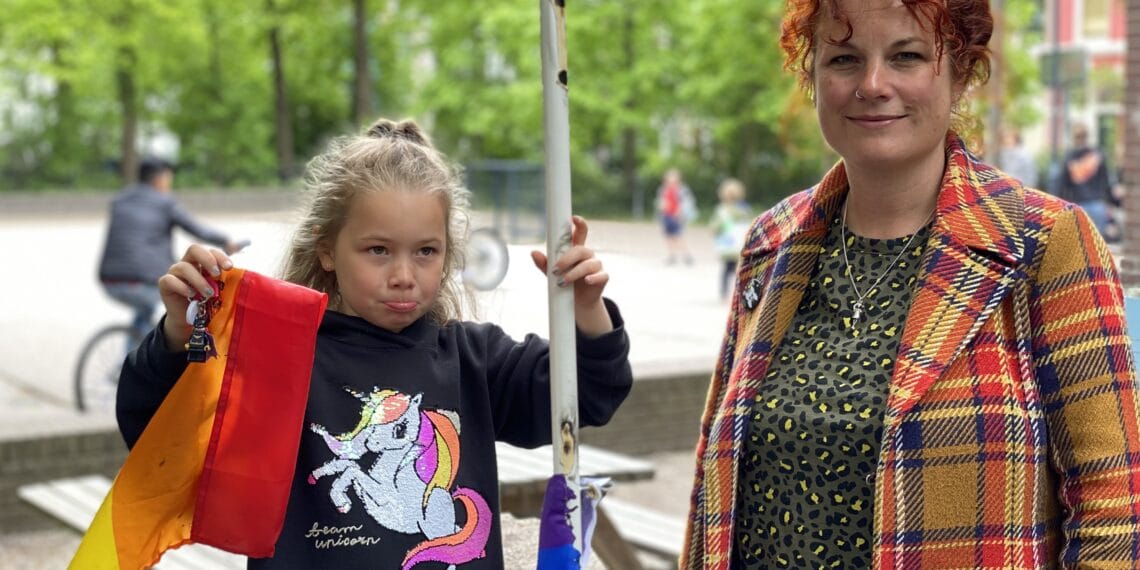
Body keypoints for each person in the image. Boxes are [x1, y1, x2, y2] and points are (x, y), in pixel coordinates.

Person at [682, 0, 1140, 568]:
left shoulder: (1044, 243)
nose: (873, 84)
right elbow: (713, 494)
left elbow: (1114, 511)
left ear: (960, 73)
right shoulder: (772, 243)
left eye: (907, 56)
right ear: (813, 77)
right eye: (845, 59)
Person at [115, 118, 633, 568]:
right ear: (328, 251)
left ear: (448, 254)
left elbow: (586, 396)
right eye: (378, 250)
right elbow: (155, 435)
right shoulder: (279, 357)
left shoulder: (475, 361)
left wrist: (585, 309)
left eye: (426, 251)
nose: (404, 275)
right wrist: (177, 336)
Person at [97, 157, 243, 337]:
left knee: (144, 315)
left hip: (109, 279)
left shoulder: (120, 200)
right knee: (172, 312)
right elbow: (196, 229)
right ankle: (139, 360)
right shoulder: (164, 203)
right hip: (141, 281)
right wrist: (226, 242)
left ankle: (129, 356)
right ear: (160, 178)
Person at [1057, 122, 1115, 237]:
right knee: (1098, 245)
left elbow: (1062, 184)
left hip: (1078, 205)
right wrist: (1110, 204)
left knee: (1081, 244)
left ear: (1073, 137)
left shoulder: (1070, 157)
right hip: (1098, 204)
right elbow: (1106, 181)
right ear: (1087, 136)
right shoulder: (1098, 155)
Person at [711, 178, 752, 300]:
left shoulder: (722, 210)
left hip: (727, 246)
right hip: (740, 245)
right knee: (739, 270)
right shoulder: (745, 209)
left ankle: (723, 293)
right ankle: (740, 292)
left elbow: (715, 227)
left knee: (726, 270)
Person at [655, 167, 696, 265]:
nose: (671, 183)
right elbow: (661, 202)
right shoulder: (663, 190)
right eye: (669, 181)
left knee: (678, 236)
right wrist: (661, 208)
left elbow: (685, 203)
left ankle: (687, 255)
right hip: (666, 216)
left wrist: (680, 213)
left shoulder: (681, 190)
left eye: (673, 181)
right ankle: (671, 255)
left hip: (676, 217)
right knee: (668, 236)